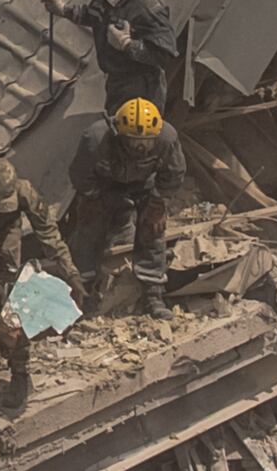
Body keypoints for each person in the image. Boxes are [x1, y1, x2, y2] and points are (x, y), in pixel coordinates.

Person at [69, 94, 192, 313]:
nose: (140, 147)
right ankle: (83, 289)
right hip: (104, 186)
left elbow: (173, 174)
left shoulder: (167, 138)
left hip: (144, 184)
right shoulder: (96, 138)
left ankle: (153, 293)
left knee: (153, 229)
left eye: (146, 142)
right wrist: (91, 198)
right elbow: (80, 174)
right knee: (89, 228)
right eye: (134, 141)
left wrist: (158, 204)